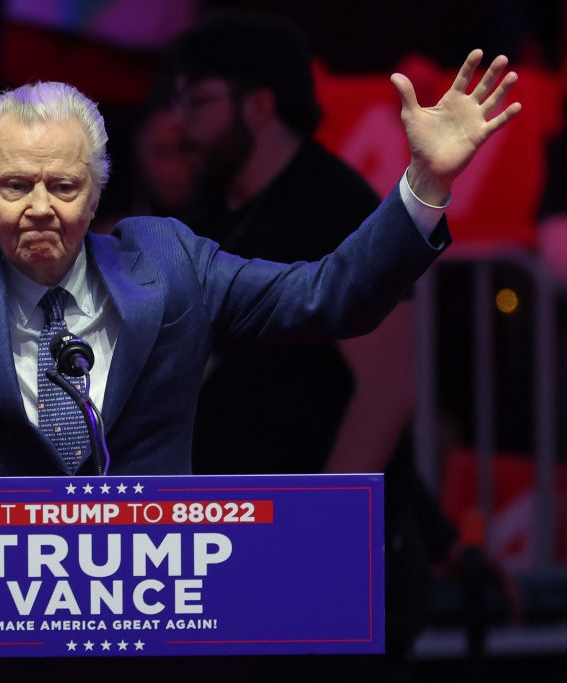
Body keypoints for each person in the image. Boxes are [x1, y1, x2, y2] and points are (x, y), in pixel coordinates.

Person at [0, 36, 519, 682]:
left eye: (64, 185)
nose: (39, 206)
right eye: (15, 186)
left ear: (98, 189)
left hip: (141, 647)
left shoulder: (175, 267)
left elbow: (331, 295)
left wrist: (424, 186)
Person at [165, 12, 468, 680]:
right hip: (237, 548)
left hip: (324, 556)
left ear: (261, 104)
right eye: (178, 100)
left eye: (199, 100)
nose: (182, 120)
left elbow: (387, 390)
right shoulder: (210, 214)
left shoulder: (334, 203)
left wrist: (316, 535)